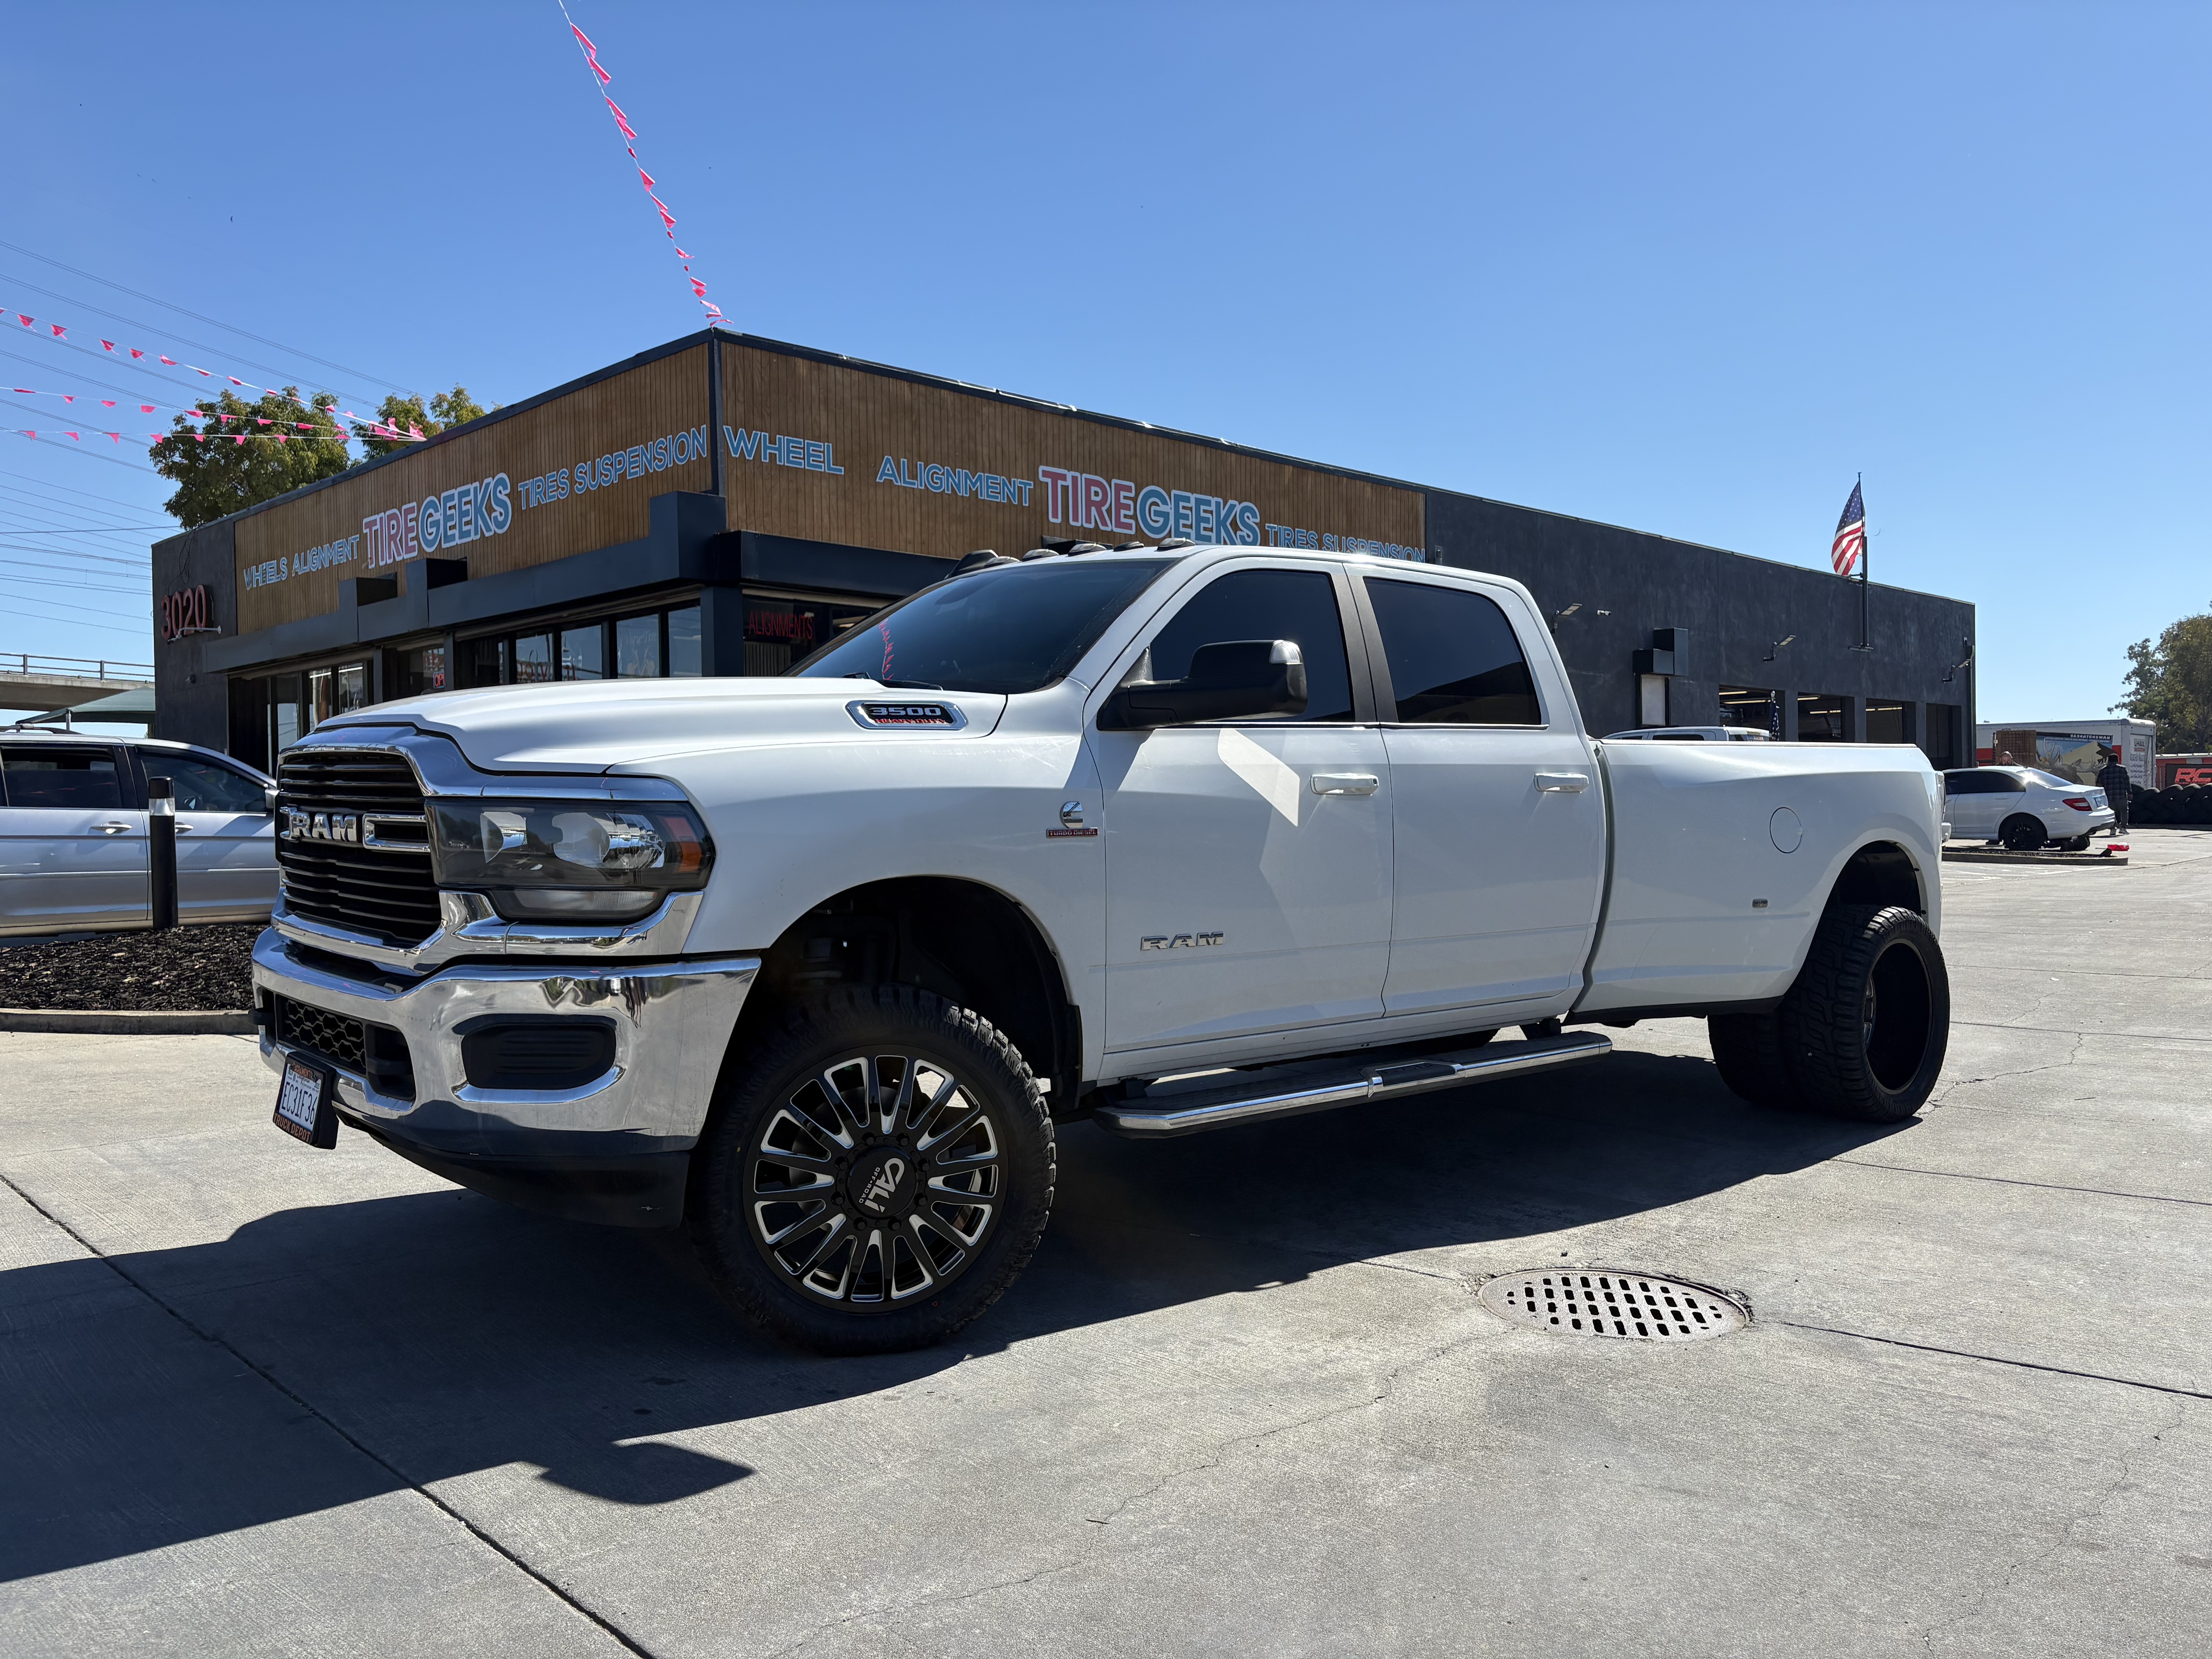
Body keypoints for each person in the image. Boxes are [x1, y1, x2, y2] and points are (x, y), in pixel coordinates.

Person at [2095, 747, 2132, 835]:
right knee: (2124, 811)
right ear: (2117, 761)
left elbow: (2099, 785)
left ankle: (2113, 828)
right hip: (2121, 795)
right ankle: (2123, 828)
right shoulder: (2123, 769)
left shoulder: (2103, 771)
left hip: (2109, 796)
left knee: (2112, 813)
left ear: (2108, 761)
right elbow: (2127, 782)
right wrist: (2130, 793)